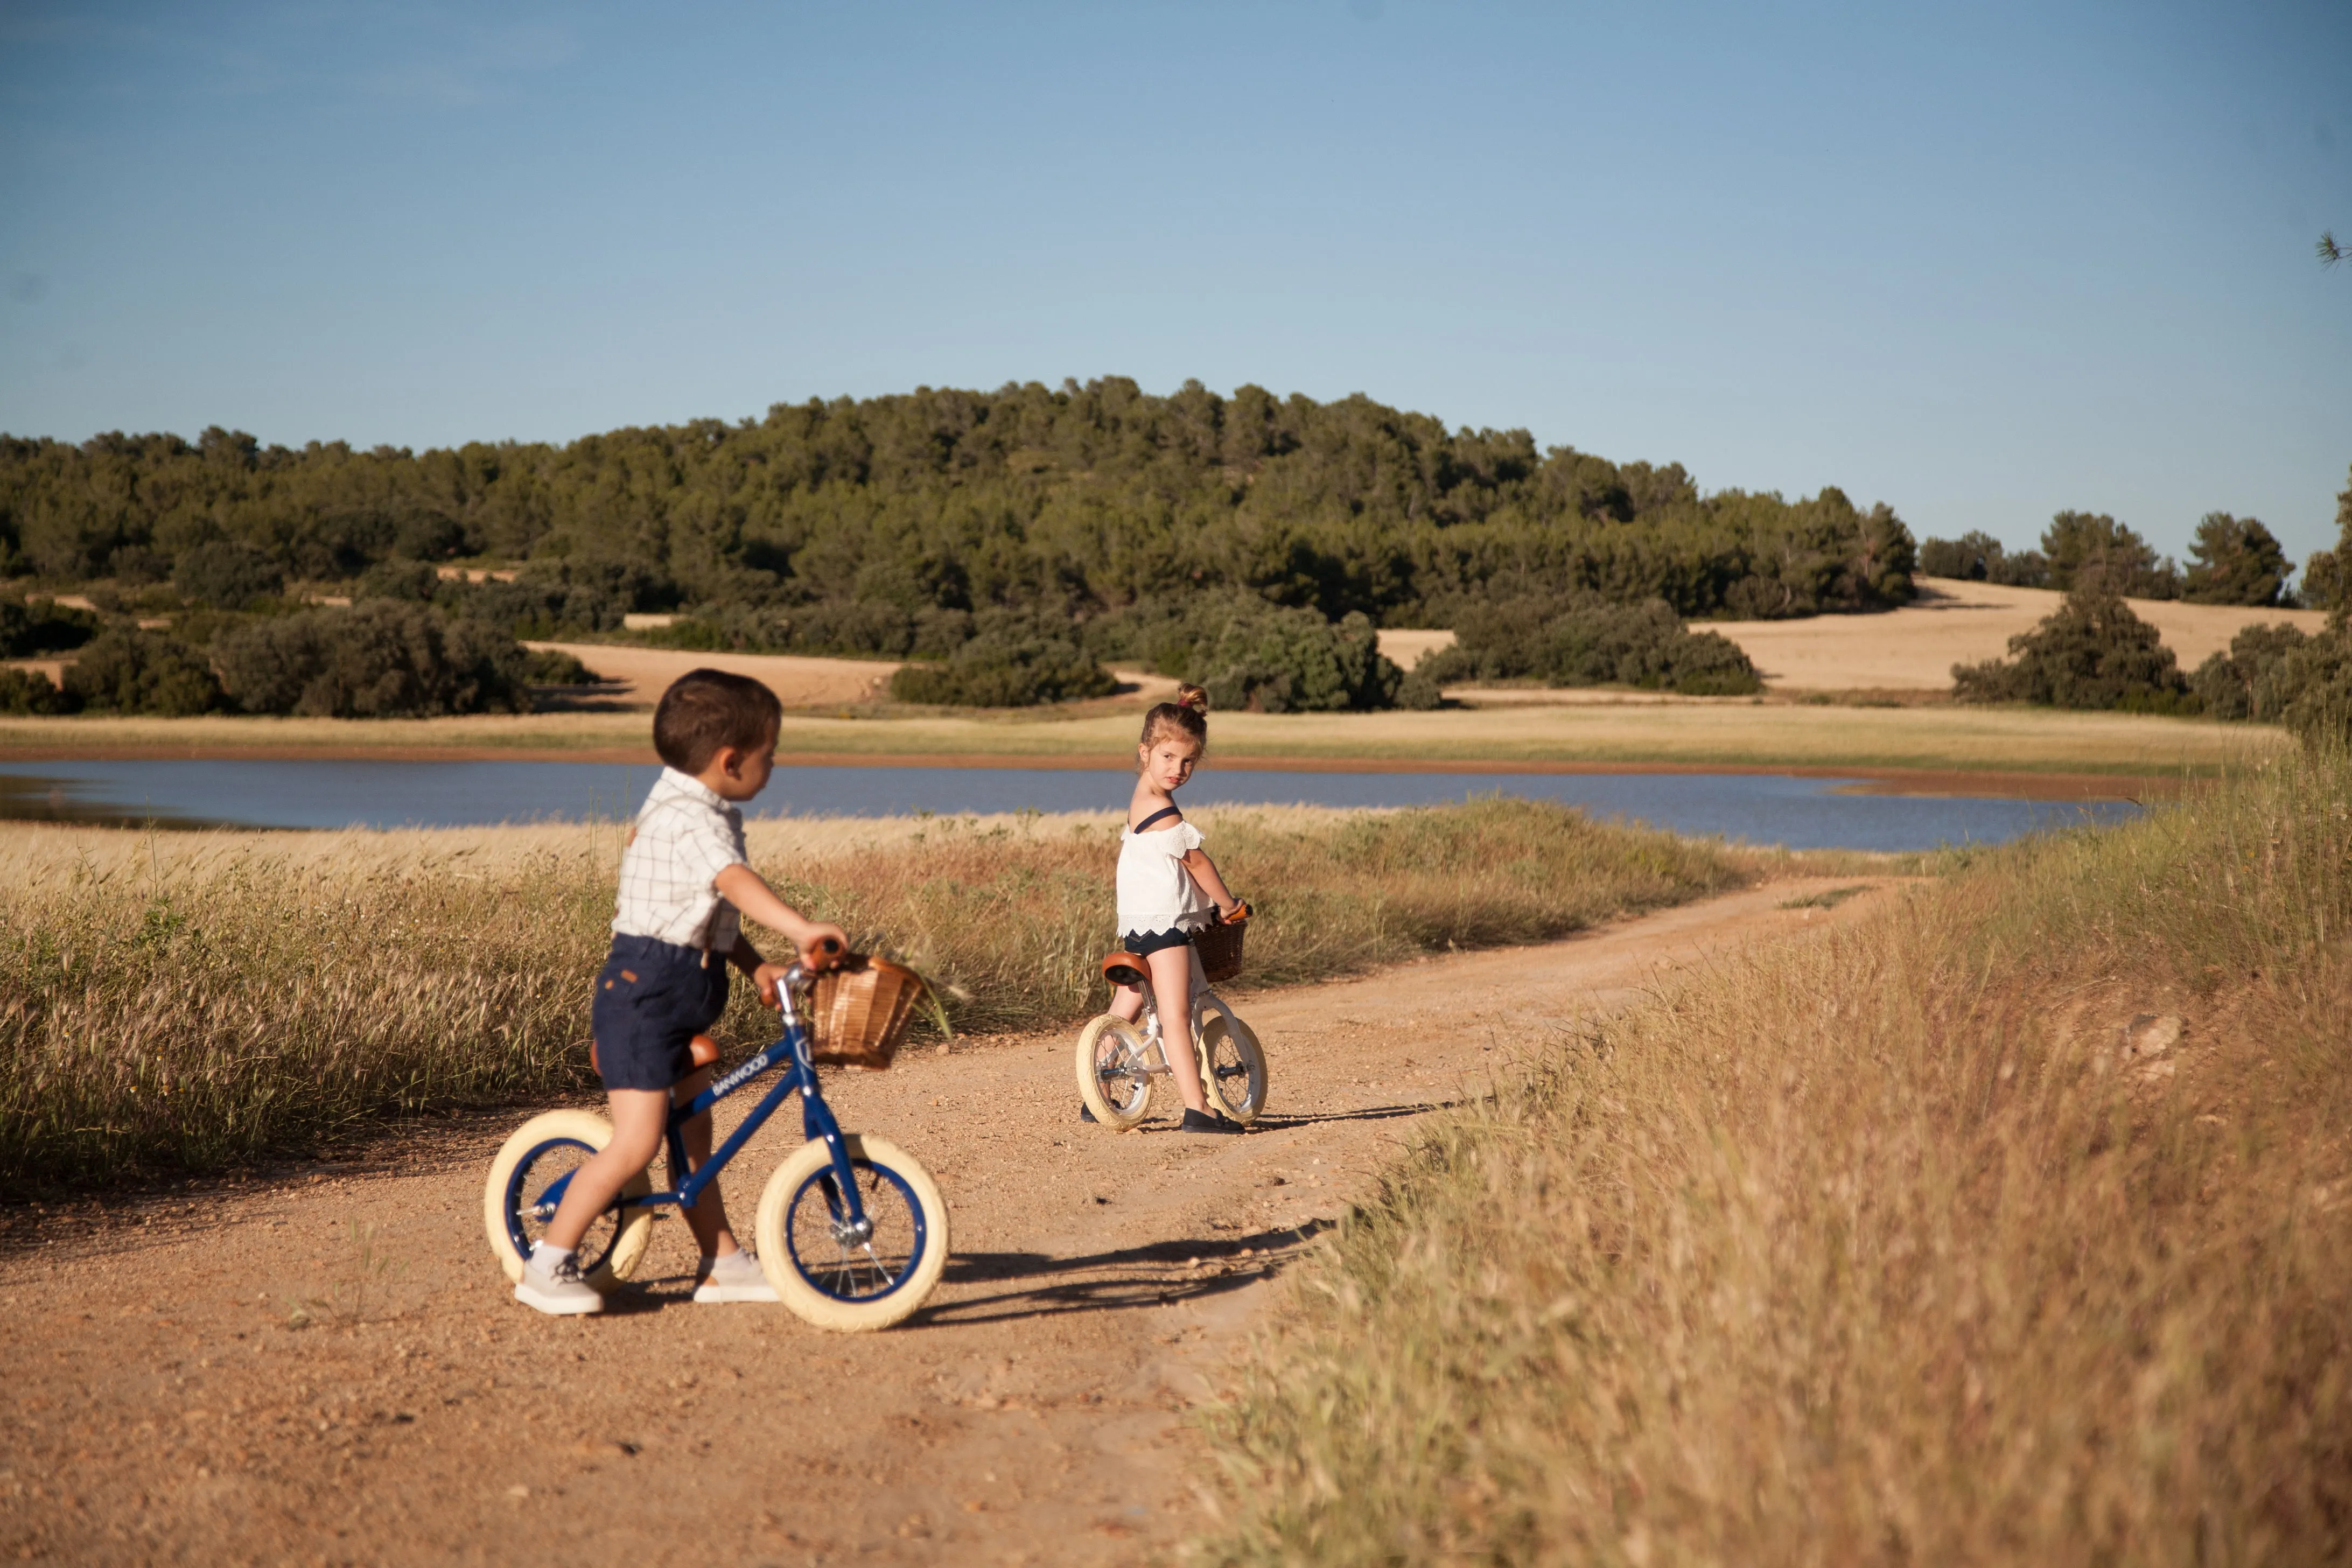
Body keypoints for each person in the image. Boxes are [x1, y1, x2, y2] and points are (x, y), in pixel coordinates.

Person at [515, 669, 847, 1316]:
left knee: (698, 1142)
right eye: (769, 754)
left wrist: (756, 967)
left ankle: (722, 1262)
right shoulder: (691, 819)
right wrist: (802, 927)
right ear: (731, 760)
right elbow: (733, 881)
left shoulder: (705, 807)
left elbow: (714, 912)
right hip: (643, 998)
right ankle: (548, 1263)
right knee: (637, 1142)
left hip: (681, 995)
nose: (773, 764)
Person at [1098, 683, 1247, 1134]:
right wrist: (1227, 903)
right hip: (1165, 927)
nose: (1178, 769)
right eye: (1168, 758)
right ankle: (1198, 1109)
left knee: (1125, 1008)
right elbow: (1197, 861)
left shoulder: (1142, 799)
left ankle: (1098, 1091)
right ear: (1145, 752)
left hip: (1139, 924)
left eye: (1187, 762)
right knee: (1176, 1015)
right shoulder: (1165, 813)